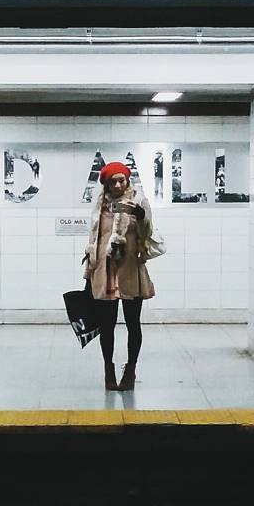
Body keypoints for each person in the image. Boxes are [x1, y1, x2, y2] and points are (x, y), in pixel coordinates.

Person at [82, 161, 156, 391]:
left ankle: (131, 370)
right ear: (105, 183)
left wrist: (140, 215)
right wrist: (88, 272)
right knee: (107, 325)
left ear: (128, 180)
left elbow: (148, 233)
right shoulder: (100, 205)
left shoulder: (138, 202)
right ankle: (108, 371)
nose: (118, 184)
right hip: (104, 270)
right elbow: (94, 239)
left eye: (121, 179)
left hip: (130, 267)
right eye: (113, 180)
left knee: (133, 323)